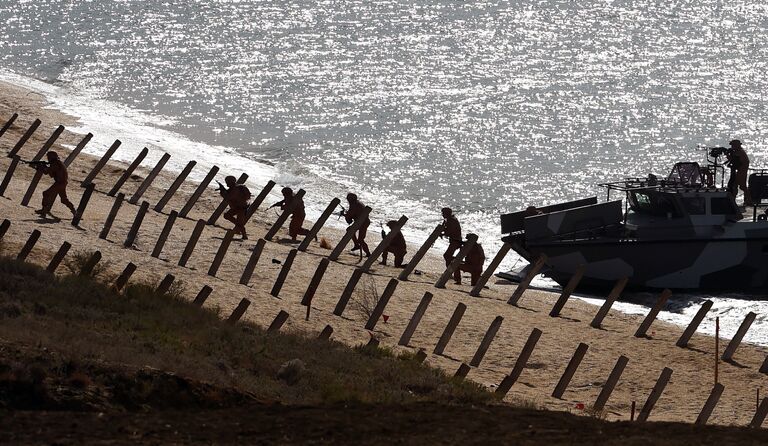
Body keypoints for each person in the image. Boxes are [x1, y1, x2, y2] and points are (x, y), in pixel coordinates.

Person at [35, 151, 76, 218]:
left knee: (46, 193)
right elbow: (51, 173)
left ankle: (44, 211)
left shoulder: (55, 164)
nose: (48, 158)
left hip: (60, 183)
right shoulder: (57, 163)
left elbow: (47, 172)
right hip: (61, 183)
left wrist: (41, 167)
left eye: (49, 157)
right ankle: (74, 211)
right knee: (63, 199)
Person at [220, 175, 251, 239]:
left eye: (227, 182)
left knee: (238, 222)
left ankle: (244, 235)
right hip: (239, 207)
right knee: (227, 216)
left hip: (241, 208)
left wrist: (222, 192)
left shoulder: (235, 189)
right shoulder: (238, 188)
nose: (227, 183)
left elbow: (228, 197)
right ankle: (242, 232)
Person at [726, 139, 753, 206]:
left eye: (733, 145)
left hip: (741, 171)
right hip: (740, 171)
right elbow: (733, 161)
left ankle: (748, 200)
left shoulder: (739, 152)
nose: (732, 147)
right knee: (736, 185)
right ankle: (735, 199)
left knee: (742, 186)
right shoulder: (739, 152)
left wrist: (728, 155)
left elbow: (734, 161)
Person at [345, 193, 371, 257]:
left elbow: (349, 217)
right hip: (361, 222)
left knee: (360, 239)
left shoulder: (354, 204)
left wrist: (346, 215)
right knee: (350, 230)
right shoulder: (357, 203)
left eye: (348, 199)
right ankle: (357, 245)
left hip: (363, 223)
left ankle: (367, 253)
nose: (348, 200)